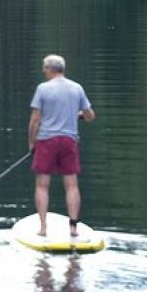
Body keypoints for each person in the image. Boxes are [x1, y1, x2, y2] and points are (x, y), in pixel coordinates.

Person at [28, 55, 95, 237]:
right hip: (69, 141)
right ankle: (73, 228)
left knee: (42, 185)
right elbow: (90, 116)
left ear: (50, 69)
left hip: (46, 141)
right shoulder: (77, 88)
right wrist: (78, 115)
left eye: (44, 68)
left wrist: (32, 143)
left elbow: (35, 119)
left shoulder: (43, 89)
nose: (43, 71)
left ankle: (43, 229)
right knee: (72, 185)